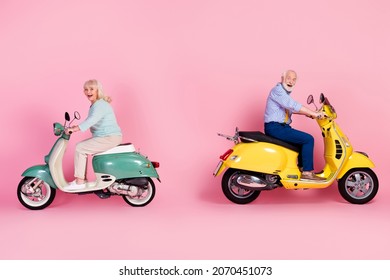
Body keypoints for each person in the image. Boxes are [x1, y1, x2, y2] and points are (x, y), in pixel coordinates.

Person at [264, 70, 325, 181]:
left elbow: (290, 108)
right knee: (308, 139)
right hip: (275, 127)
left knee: (301, 142)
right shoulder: (278, 90)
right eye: (288, 78)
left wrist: (310, 114)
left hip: (281, 127)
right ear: (282, 78)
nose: (291, 81)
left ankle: (300, 169)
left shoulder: (284, 93)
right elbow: (293, 105)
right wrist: (314, 113)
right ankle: (306, 173)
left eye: (294, 79)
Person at [65, 79, 123, 189]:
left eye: (92, 89)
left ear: (98, 91)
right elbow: (91, 120)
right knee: (82, 147)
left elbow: (91, 120)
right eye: (86, 89)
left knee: (80, 147)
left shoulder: (100, 104)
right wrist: (75, 127)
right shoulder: (96, 105)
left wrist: (76, 128)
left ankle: (80, 182)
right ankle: (82, 180)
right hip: (107, 137)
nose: (88, 92)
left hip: (109, 137)